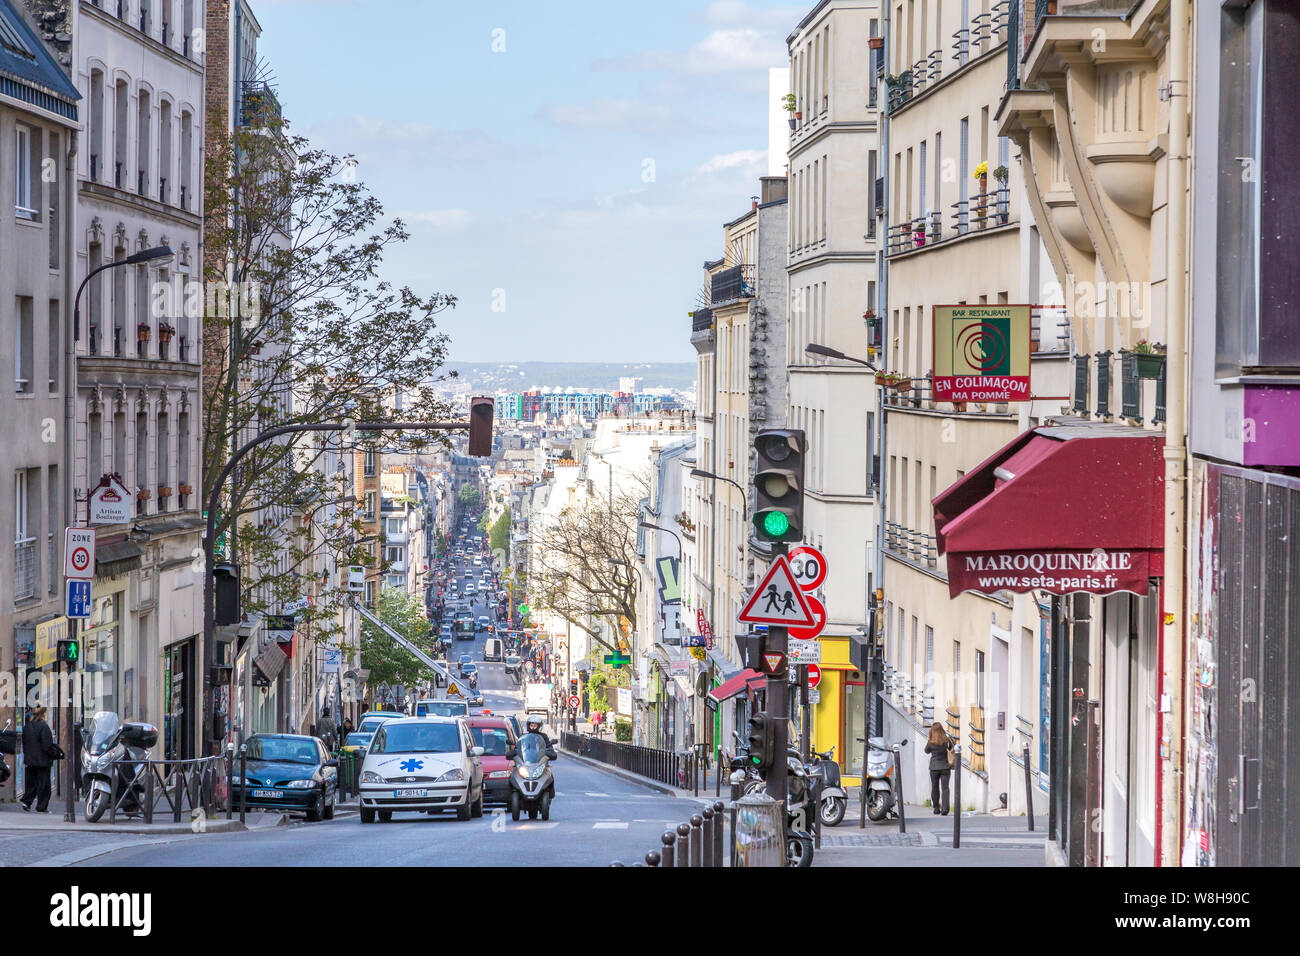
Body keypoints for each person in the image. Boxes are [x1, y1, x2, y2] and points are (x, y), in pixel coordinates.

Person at [21, 706, 60, 813]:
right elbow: (47, 745)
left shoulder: (27, 727)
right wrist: (54, 753)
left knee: (31, 783)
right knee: (44, 784)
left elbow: (24, 743)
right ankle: (41, 806)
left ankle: (26, 801)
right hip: (42, 760)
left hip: (30, 760)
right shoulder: (44, 727)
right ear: (43, 714)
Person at [924, 721, 954, 816]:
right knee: (945, 788)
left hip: (934, 768)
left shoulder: (931, 742)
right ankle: (945, 809)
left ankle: (936, 808)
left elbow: (926, 751)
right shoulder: (947, 741)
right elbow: (953, 748)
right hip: (945, 767)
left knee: (935, 787)